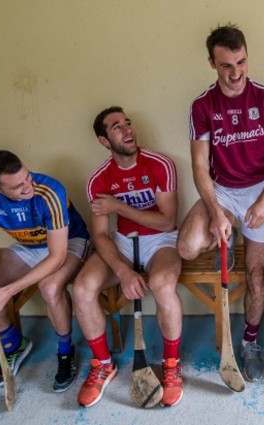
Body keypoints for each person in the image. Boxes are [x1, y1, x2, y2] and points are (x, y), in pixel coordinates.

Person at [177, 23, 264, 383]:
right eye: (226, 65)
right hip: (223, 192)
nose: (236, 72)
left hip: (261, 192)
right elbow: (199, 167)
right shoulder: (201, 106)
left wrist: (263, 200)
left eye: (241, 62)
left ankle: (250, 342)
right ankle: (224, 235)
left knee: (255, 276)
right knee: (187, 246)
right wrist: (215, 212)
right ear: (212, 63)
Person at [73, 106, 183, 408]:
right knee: (82, 289)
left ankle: (171, 365)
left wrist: (119, 208)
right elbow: (100, 235)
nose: (127, 130)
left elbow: (166, 221)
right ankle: (103, 365)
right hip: (121, 242)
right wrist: (123, 272)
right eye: (117, 127)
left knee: (162, 285)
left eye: (128, 124)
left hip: (160, 240)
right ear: (104, 141)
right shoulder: (98, 180)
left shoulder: (161, 164)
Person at [0, 150, 90, 393]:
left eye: (27, 177)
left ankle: (65, 351)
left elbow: (57, 256)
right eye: (18, 186)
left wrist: (7, 292)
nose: (28, 187)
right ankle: (13, 345)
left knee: (50, 288)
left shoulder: (49, 191)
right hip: (28, 246)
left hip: (68, 242)